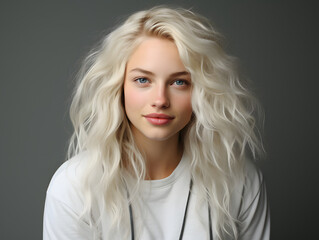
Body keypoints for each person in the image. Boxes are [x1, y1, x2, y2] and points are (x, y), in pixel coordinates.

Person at [43, 6, 270, 240]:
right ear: (119, 86)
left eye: (179, 82)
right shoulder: (74, 187)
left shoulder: (240, 181)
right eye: (143, 80)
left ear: (202, 91)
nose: (160, 100)